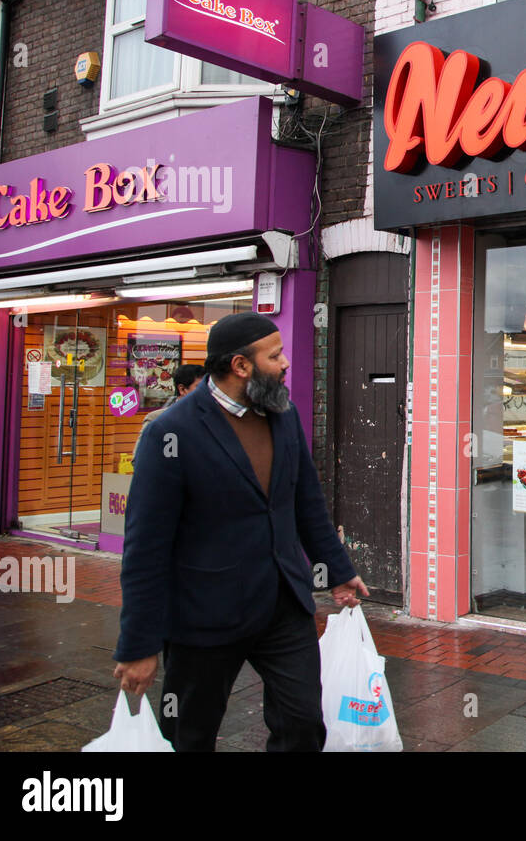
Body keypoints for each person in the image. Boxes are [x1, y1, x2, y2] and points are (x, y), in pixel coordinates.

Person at [112, 311, 367, 751]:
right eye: (275, 355)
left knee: (304, 722)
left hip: (283, 603)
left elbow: (306, 502)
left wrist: (338, 570)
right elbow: (145, 547)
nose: (285, 363)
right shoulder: (171, 433)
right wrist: (139, 644)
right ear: (240, 366)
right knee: (190, 733)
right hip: (204, 614)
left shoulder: (283, 414)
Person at [132, 363, 204, 462]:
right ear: (182, 389)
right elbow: (139, 459)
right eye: (200, 387)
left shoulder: (213, 419)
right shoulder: (156, 418)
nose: (206, 392)